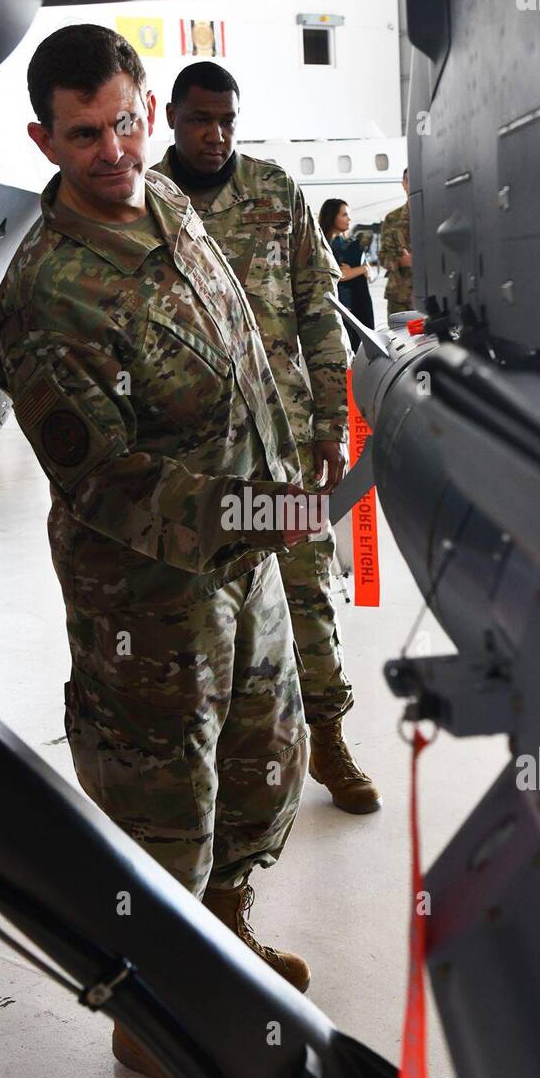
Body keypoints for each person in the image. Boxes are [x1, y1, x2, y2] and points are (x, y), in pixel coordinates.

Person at [0, 25, 323, 1078]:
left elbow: (242, 354)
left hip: (244, 564)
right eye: (85, 134)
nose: (114, 148)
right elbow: (109, 482)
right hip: (148, 600)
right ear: (45, 136)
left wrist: (290, 465)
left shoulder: (170, 202)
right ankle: (153, 1018)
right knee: (163, 802)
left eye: (125, 120)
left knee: (261, 762)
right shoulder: (46, 298)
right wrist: (259, 508)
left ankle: (223, 944)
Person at [155, 63, 381, 816]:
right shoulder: (147, 205)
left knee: (307, 593)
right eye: (198, 120)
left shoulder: (276, 192)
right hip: (194, 460)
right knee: (200, 609)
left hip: (281, 447)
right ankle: (216, 763)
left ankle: (329, 738)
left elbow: (319, 308)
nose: (214, 135)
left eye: (226, 120)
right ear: (170, 119)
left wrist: (328, 425)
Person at [320, 199, 375, 341]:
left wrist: (362, 270)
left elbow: (369, 273)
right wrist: (362, 269)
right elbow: (339, 274)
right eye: (344, 215)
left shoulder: (346, 244)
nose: (349, 219)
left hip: (354, 306)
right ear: (332, 217)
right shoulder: (326, 245)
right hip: (344, 309)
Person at [380, 168, 413, 317]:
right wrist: (400, 262)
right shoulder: (392, 219)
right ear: (404, 184)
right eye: (409, 181)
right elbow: (382, 257)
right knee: (399, 338)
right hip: (400, 296)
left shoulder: (435, 215)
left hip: (433, 294)